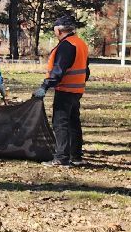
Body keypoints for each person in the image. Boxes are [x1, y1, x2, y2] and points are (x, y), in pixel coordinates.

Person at [32, 14, 90, 166]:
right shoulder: (80, 43)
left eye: (54, 30)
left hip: (66, 89)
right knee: (73, 123)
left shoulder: (66, 45)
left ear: (59, 30)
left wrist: (44, 86)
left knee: (60, 123)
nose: (54, 33)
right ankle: (76, 156)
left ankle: (62, 158)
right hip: (77, 90)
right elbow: (86, 70)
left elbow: (58, 69)